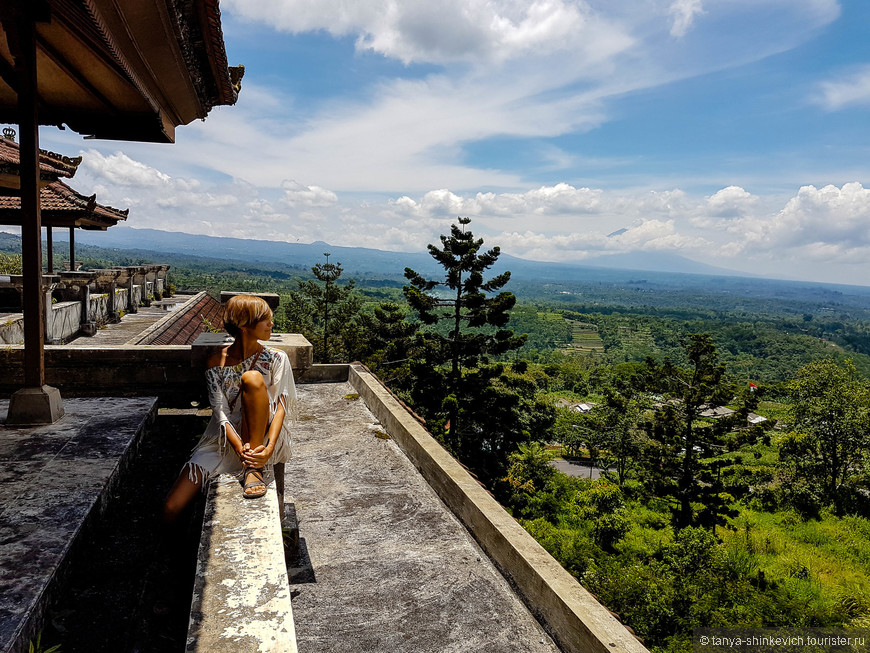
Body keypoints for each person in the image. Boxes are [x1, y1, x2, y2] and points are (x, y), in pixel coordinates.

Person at [163, 294, 297, 523]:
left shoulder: (276, 358)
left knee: (253, 378)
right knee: (171, 507)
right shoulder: (217, 362)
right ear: (245, 326)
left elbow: (281, 406)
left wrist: (267, 448)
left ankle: (253, 471)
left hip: (264, 438)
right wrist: (242, 452)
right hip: (225, 440)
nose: (271, 325)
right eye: (266, 320)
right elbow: (221, 413)